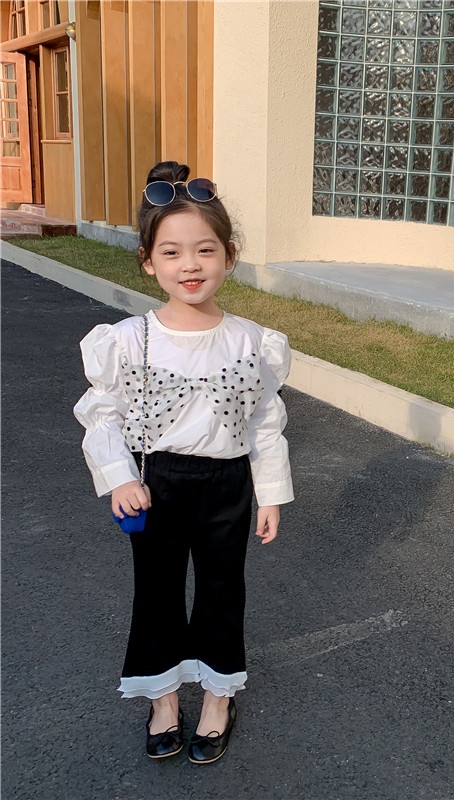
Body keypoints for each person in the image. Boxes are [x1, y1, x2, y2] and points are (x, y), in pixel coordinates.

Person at [74, 161, 293, 764]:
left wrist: (270, 493)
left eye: (205, 250)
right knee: (158, 594)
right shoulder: (128, 340)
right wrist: (119, 477)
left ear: (229, 256)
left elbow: (264, 421)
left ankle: (219, 700)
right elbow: (102, 414)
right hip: (157, 485)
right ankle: (164, 699)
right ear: (148, 261)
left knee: (223, 591)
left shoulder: (251, 341)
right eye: (171, 252)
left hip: (227, 484)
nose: (189, 265)